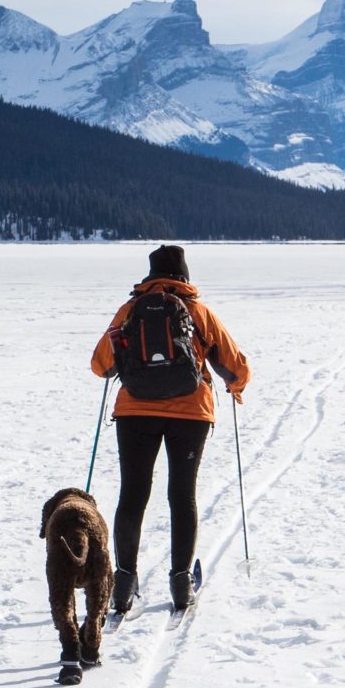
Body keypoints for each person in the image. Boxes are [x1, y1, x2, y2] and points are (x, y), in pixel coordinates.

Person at [90, 245, 250, 614]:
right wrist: (235, 387)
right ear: (185, 275)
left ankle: (124, 583)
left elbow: (101, 365)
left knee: (132, 494)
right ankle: (181, 584)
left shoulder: (130, 310)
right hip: (191, 414)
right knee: (182, 495)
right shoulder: (198, 312)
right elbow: (235, 366)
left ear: (150, 275)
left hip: (134, 412)